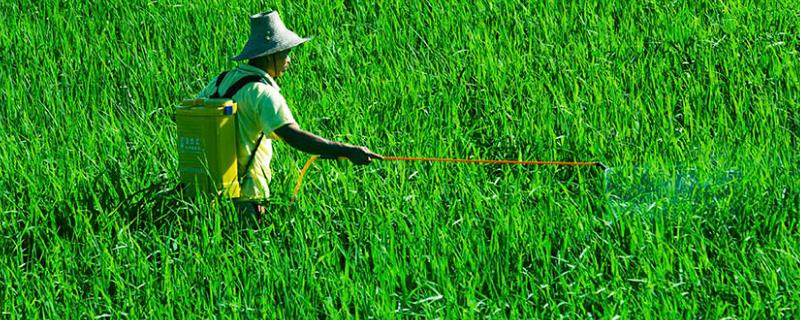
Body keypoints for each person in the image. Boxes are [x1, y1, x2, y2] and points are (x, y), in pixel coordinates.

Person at [195, 11, 382, 217]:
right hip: (247, 196)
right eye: (285, 53)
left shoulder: (221, 81)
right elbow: (295, 137)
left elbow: (190, 114)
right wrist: (348, 150)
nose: (289, 60)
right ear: (269, 55)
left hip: (210, 193)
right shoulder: (263, 94)